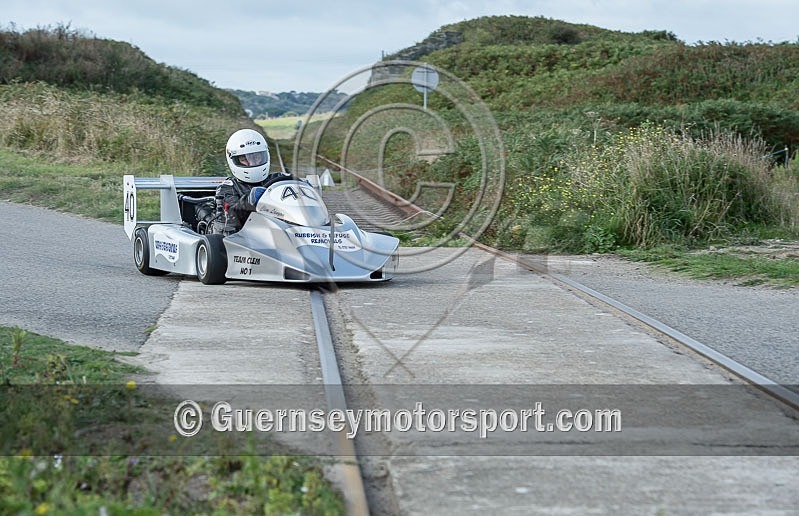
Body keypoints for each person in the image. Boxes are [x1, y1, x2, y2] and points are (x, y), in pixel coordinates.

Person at [211, 128, 287, 234]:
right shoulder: (227, 188)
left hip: (282, 233)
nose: (252, 163)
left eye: (256, 157)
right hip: (246, 238)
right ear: (234, 160)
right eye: (245, 159)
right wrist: (249, 202)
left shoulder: (278, 180)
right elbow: (229, 221)